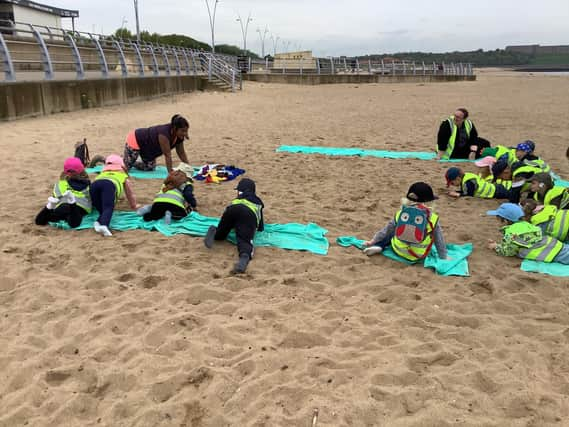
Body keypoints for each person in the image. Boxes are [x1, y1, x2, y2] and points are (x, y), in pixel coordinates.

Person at [362, 182, 448, 261]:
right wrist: (443, 257)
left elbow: (386, 230)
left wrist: (372, 241)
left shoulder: (401, 214)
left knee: (393, 231)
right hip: (417, 254)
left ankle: (379, 245)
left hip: (398, 249)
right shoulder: (433, 218)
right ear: (428, 202)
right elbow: (439, 240)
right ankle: (380, 246)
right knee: (431, 233)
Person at [204, 178, 264, 274]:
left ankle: (215, 231)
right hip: (248, 214)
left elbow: (227, 213)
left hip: (232, 209)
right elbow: (260, 227)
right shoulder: (258, 202)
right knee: (244, 241)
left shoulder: (237, 199)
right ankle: (243, 259)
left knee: (222, 233)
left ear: (240, 191)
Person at [487, 203, 569, 264]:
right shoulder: (526, 224)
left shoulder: (512, 232)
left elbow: (508, 252)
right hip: (554, 244)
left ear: (505, 221)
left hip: (552, 253)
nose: (497, 223)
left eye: (497, 220)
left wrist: (496, 246)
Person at [35, 157, 92, 228]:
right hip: (78, 206)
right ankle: (71, 201)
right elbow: (91, 198)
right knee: (74, 223)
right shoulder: (87, 184)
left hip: (62, 205)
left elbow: (57, 194)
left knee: (40, 221)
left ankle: (49, 206)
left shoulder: (61, 183)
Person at [90, 154, 137, 237]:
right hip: (109, 185)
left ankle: (98, 222)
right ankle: (104, 225)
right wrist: (133, 205)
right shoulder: (122, 175)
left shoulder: (102, 173)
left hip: (94, 185)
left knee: (102, 209)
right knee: (108, 208)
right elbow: (129, 194)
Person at [123, 114, 190, 172]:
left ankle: (133, 161)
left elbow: (181, 153)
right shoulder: (164, 135)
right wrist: (170, 172)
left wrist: (188, 167)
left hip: (146, 148)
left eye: (186, 131)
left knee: (149, 167)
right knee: (126, 167)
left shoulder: (179, 137)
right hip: (135, 139)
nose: (185, 134)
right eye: (183, 131)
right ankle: (123, 160)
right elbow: (167, 155)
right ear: (175, 128)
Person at [445, 166, 510, 199]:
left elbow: (469, 194)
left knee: (512, 195)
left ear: (457, 178)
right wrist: (456, 192)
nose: (452, 185)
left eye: (452, 183)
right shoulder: (467, 176)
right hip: (495, 189)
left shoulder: (468, 182)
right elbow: (466, 191)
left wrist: (457, 194)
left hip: (496, 192)